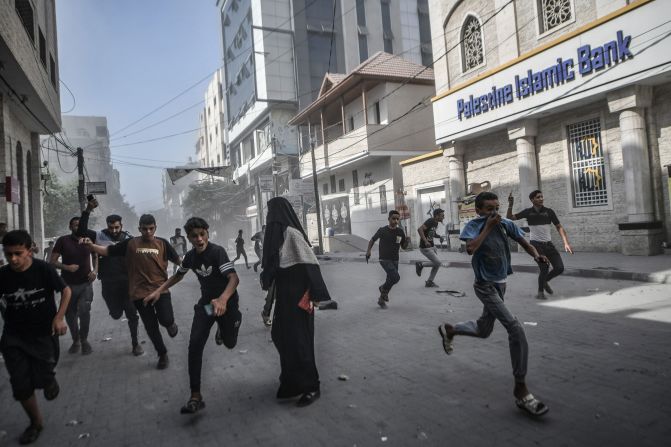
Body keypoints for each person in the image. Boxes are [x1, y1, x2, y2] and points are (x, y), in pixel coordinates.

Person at [437, 192, 549, 417]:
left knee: (484, 330)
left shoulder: (506, 224)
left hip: (501, 284)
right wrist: (487, 226)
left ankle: (452, 330)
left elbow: (523, 242)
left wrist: (537, 255)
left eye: (496, 208)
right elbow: (470, 249)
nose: (494, 213)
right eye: (489, 209)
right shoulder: (474, 226)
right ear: (479, 210)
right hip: (484, 285)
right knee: (515, 328)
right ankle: (521, 389)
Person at [147, 217, 241, 414]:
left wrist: (223, 299)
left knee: (230, 343)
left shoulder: (217, 252)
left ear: (207, 233)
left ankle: (227, 327)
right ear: (188, 238)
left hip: (227, 304)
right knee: (195, 344)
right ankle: (195, 396)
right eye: (194, 236)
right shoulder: (190, 257)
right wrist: (159, 290)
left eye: (202, 234)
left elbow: (233, 278)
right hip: (207, 306)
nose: (199, 239)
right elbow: (178, 275)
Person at [0, 230, 71, 445]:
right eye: (8, 254)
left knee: (44, 374)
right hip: (14, 337)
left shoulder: (44, 270)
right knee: (20, 385)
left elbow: (66, 291)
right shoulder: (2, 275)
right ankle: (35, 422)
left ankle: (48, 379)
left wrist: (59, 318)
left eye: (18, 253)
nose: (13, 259)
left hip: (43, 335)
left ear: (29, 251)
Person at [83, 214, 180, 370]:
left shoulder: (163, 243)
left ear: (155, 227)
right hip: (139, 293)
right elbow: (108, 250)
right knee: (151, 326)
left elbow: (180, 261)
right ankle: (162, 354)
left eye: (151, 228)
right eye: (144, 229)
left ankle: (170, 324)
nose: (148, 232)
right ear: (139, 229)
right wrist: (91, 247)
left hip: (160, 290)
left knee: (166, 319)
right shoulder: (130, 243)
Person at [260, 197, 332, 407]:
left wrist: (314, 296)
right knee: (281, 336)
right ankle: (292, 382)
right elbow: (273, 266)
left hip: (300, 297)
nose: (270, 217)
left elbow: (311, 264)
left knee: (300, 342)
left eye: (272, 212)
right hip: (285, 298)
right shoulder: (277, 235)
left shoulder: (292, 234)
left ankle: (311, 386)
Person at [77, 198, 143, 356]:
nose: (114, 230)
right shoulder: (99, 236)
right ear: (107, 226)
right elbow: (81, 231)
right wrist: (88, 209)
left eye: (117, 227)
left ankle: (136, 344)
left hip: (127, 283)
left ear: (121, 226)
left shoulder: (129, 239)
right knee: (115, 314)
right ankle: (117, 310)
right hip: (108, 284)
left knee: (132, 313)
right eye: (111, 227)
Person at [507, 190, 573, 300]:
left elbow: (559, 227)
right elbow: (510, 218)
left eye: (542, 196)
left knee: (559, 268)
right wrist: (510, 204)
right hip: (536, 245)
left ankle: (545, 280)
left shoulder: (549, 212)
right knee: (544, 267)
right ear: (532, 200)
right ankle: (540, 292)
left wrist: (566, 243)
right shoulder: (528, 212)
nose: (541, 199)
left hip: (549, 244)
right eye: (538, 197)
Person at [50, 217, 98, 356]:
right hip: (68, 285)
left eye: (80, 225)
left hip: (85, 283)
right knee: (70, 315)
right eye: (75, 225)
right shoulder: (63, 241)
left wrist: (95, 271)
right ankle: (75, 339)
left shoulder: (88, 240)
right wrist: (66, 267)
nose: (78, 227)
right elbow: (52, 261)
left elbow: (96, 256)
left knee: (84, 311)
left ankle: (84, 340)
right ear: (70, 227)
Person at [366, 210, 409, 308]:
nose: (395, 221)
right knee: (396, 277)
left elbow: (404, 247)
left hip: (395, 259)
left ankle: (381, 299)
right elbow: (372, 240)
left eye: (397, 219)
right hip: (384, 259)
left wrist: (407, 241)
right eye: (393, 218)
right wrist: (368, 251)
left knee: (390, 278)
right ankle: (382, 288)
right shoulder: (382, 230)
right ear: (389, 219)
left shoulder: (400, 232)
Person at [415, 209, 445, 287]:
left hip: (432, 247)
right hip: (425, 247)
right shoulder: (431, 220)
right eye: (442, 215)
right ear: (437, 215)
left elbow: (432, 233)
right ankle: (420, 265)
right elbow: (420, 229)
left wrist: (439, 236)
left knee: (436, 264)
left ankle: (429, 282)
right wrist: (425, 241)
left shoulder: (435, 223)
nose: (443, 217)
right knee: (438, 262)